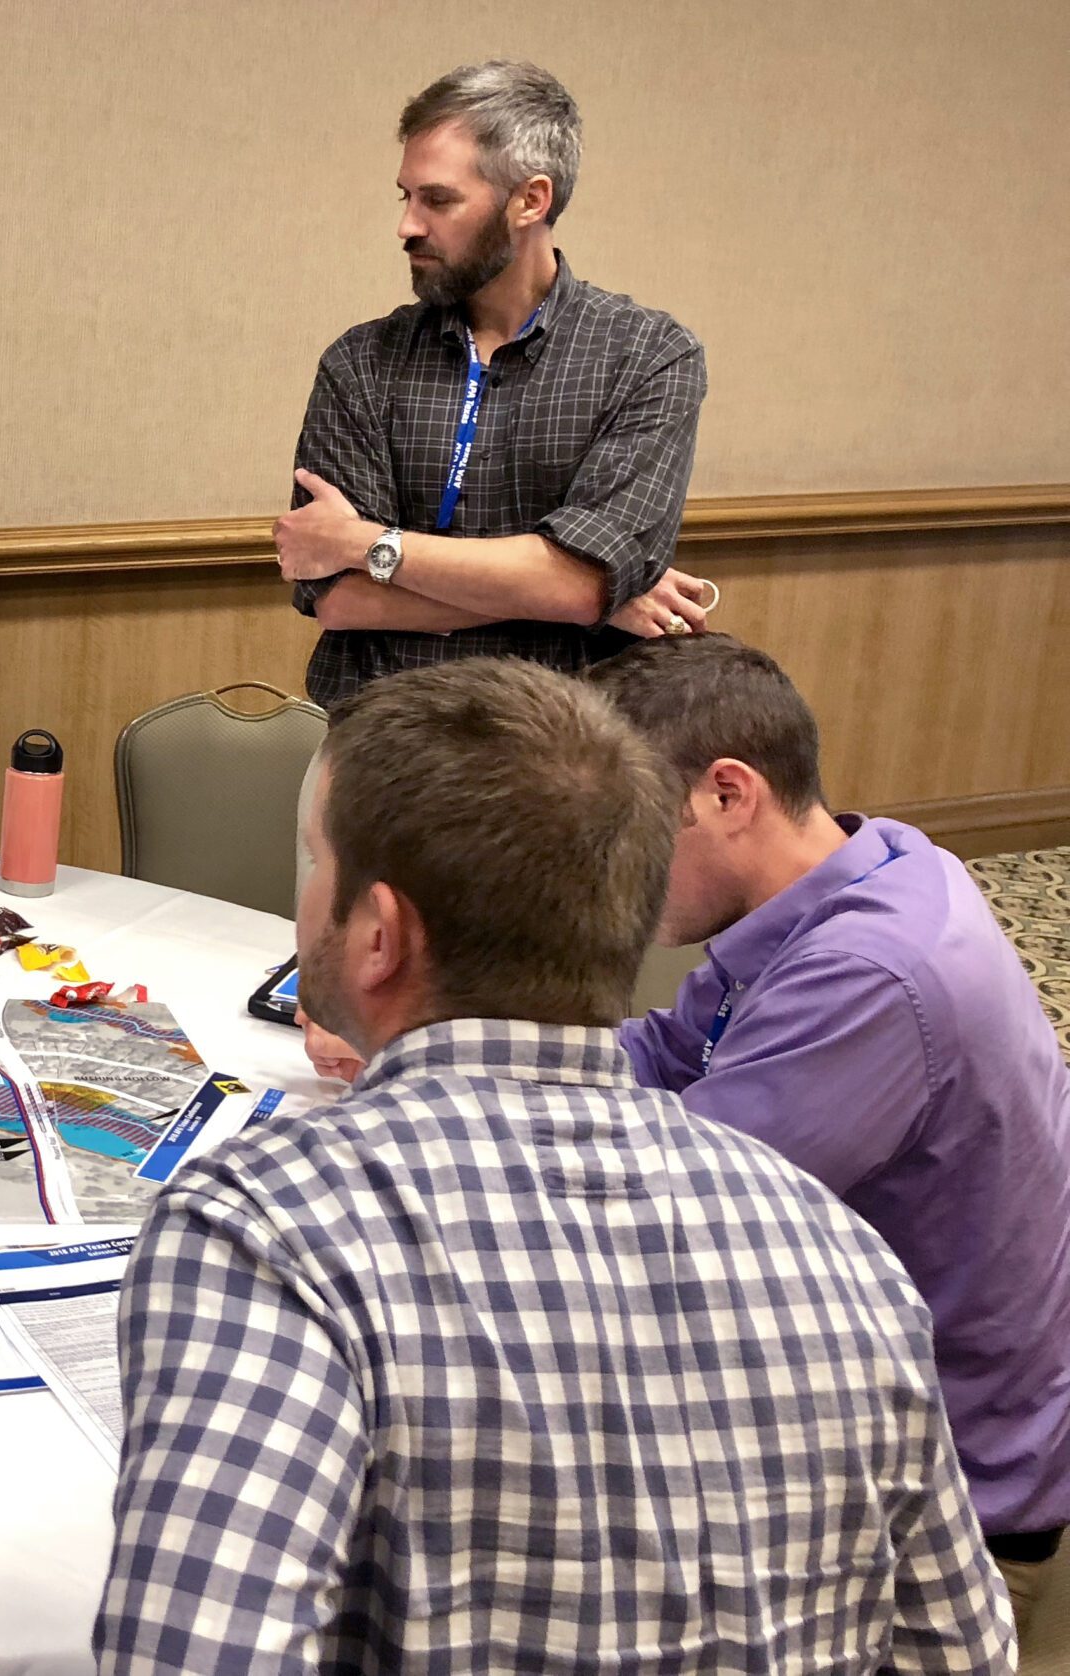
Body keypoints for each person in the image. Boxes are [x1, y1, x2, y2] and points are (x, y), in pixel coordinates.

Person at [98, 657, 1012, 1673]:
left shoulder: (262, 1231)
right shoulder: (846, 1253)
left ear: (379, 935)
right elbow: (960, 1651)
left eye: (315, 859)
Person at [591, 633, 1070, 1628]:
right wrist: (475, 1059)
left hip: (949, 1515)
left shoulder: (868, 973)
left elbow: (662, 1234)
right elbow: (672, 1050)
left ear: (730, 793)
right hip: (892, 1401)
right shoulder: (870, 863)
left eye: (626, 830)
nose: (611, 874)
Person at [276, 60, 715, 714]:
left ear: (530, 201)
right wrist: (577, 598)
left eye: (438, 200)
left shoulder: (648, 355)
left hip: (568, 746)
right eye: (405, 197)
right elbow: (340, 598)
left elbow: (579, 584)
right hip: (386, 743)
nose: (407, 226)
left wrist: (368, 545)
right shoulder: (363, 361)